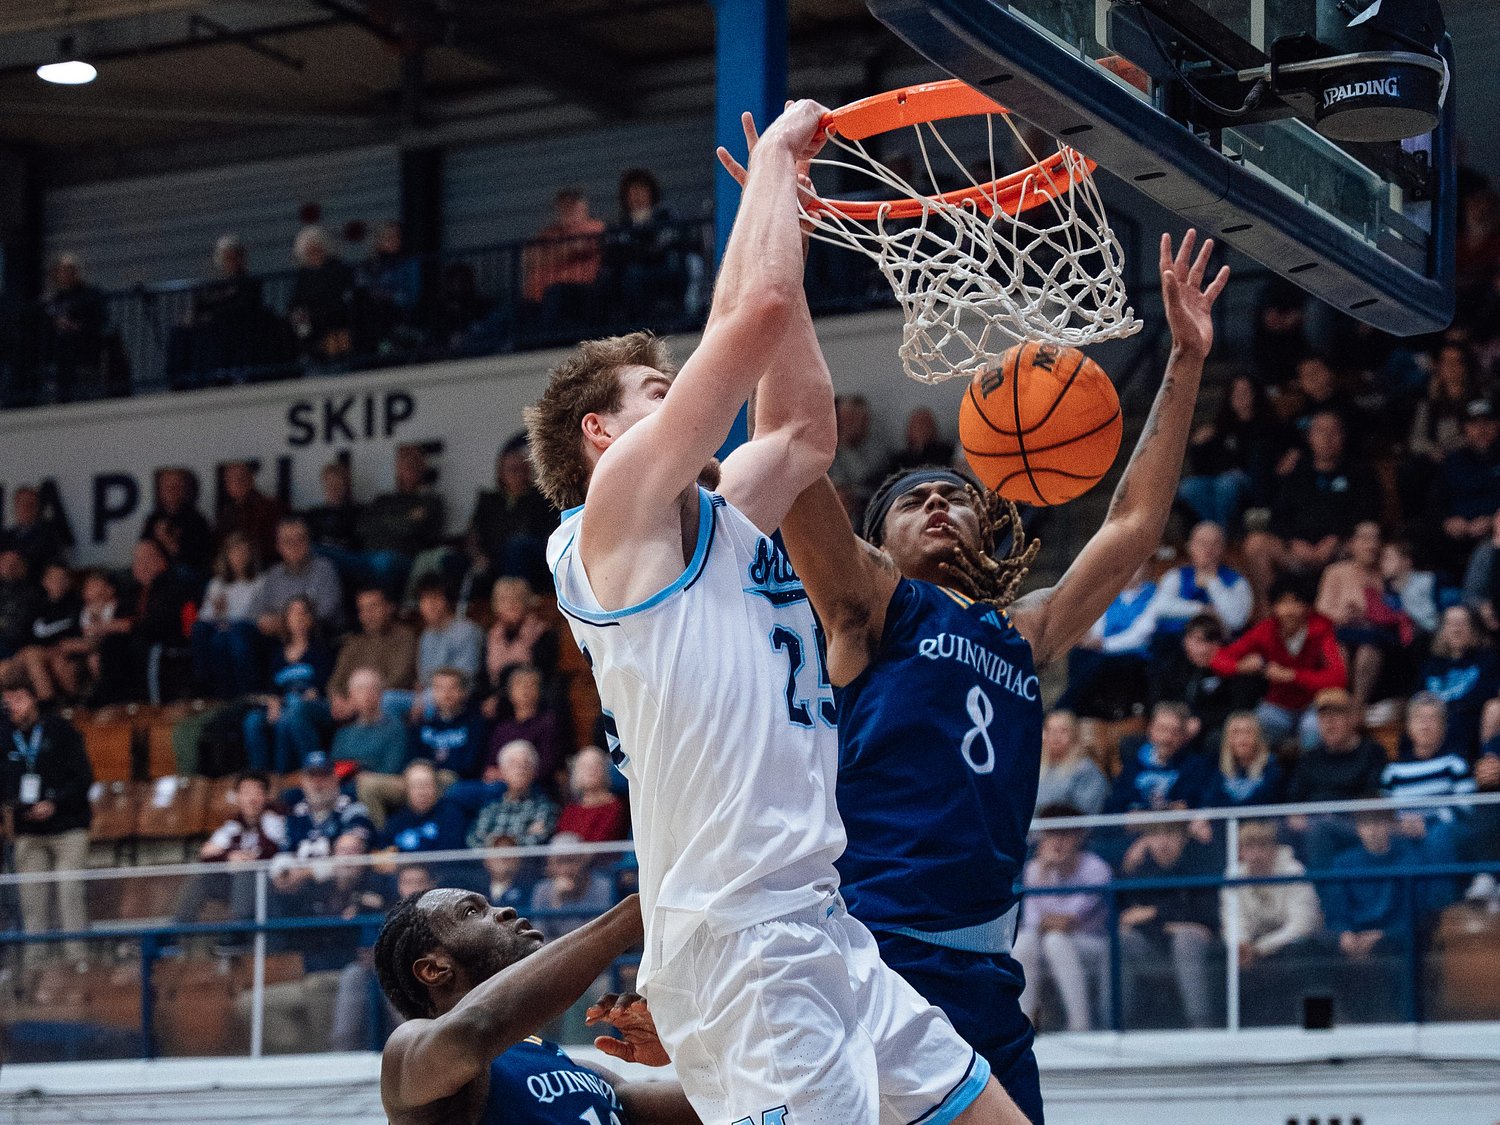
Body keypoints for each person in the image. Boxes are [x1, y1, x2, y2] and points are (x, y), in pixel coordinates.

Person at [529, 102, 1028, 1124]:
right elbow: (748, 317)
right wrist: (767, 165)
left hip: (822, 923)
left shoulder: (714, 519)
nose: (682, 403)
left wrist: (788, 216)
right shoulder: (609, 526)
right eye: (655, 393)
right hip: (739, 947)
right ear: (601, 434)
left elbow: (800, 426)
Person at [775, 231, 1227, 1116]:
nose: (938, 501)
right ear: (881, 539)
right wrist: (777, 281)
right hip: (881, 951)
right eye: (913, 498)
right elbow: (792, 466)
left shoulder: (1025, 631)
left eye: (953, 494)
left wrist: (1185, 357)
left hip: (985, 964)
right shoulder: (871, 607)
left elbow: (1131, 528)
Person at [374, 890, 696, 1125]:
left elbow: (726, 1105)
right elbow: (473, 1029)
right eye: (472, 912)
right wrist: (637, 912)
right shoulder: (407, 1055)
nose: (505, 911)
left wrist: (686, 1049)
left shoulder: (583, 1071)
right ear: (433, 969)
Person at [1242, 410, 1381, 610]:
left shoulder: (1361, 472)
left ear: (1343, 437)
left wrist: (1336, 539)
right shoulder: (1297, 472)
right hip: (1299, 552)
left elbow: (1368, 513)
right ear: (1310, 437)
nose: (1327, 438)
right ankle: (1272, 613)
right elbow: (1278, 518)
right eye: (1321, 432)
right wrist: (1294, 542)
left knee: (1366, 542)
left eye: (1334, 432)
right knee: (1255, 544)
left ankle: (1356, 612)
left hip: (1341, 550)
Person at [0, 672, 92, 971]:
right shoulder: (4, 737)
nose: (13, 706)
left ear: (33, 698)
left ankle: (78, 962)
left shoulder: (60, 731)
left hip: (67, 826)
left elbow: (83, 778)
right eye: (8, 701)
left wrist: (55, 803)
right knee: (32, 901)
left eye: (19, 699)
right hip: (29, 830)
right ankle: (35, 967)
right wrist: (15, 804)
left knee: (70, 893)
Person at [277, 587, 417, 763]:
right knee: (300, 709)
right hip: (346, 702)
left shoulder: (404, 637)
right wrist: (337, 698)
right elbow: (335, 681)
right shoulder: (353, 643)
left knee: (387, 700)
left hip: (379, 698)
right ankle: (316, 765)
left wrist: (358, 701)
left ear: (389, 607)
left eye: (373, 607)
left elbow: (399, 677)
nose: (368, 614)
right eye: (363, 609)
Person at [1210, 574, 1347, 750]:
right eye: (1283, 603)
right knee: (1249, 734)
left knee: (1312, 730)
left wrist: (1292, 676)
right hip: (1277, 706)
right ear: (1274, 606)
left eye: (1296, 602)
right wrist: (1241, 666)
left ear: (1307, 606)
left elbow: (1338, 677)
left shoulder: (1322, 629)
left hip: (1313, 704)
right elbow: (1218, 659)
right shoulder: (1266, 629)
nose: (1289, 609)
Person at [1013, 807, 1112, 1032]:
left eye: (1065, 834)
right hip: (1049, 942)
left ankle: (1080, 1026)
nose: (1057, 841)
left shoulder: (1095, 868)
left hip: (1094, 943)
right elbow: (1032, 924)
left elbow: (1068, 921)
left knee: (1055, 941)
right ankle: (1024, 1027)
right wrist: (1043, 874)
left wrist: (1050, 923)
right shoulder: (1034, 869)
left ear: (1078, 836)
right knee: (1024, 942)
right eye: (1050, 834)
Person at [1117, 820, 1220, 1029]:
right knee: (1122, 939)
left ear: (1183, 839)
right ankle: (1113, 1026)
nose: (1163, 841)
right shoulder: (1139, 871)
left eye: (1171, 834)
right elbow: (1127, 920)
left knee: (1186, 938)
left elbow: (1206, 918)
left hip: (1203, 951)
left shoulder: (1198, 865)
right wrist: (1168, 921)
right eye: (1155, 834)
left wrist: (1153, 913)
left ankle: (1200, 1024)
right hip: (1153, 949)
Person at [1225, 819, 1324, 1026]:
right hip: (1254, 945)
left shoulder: (1293, 871)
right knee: (1222, 955)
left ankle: (1319, 1026)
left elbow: (1302, 925)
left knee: (1306, 953)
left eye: (1263, 846)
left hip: (1291, 943)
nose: (1257, 854)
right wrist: (1241, 944)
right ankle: (1227, 1030)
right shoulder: (1233, 876)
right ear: (1241, 852)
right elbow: (1233, 919)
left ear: (1273, 848)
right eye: (1250, 847)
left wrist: (1260, 948)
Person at [1316, 520, 1418, 714]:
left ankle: (1357, 705)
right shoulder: (1336, 572)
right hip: (1342, 631)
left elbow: (1398, 604)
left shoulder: (1385, 571)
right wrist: (1341, 615)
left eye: (1375, 538)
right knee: (1337, 645)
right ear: (1352, 543)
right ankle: (1340, 702)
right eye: (1364, 539)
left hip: (1379, 638)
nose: (1371, 545)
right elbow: (1321, 609)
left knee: (1369, 648)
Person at [174, 771, 285, 948]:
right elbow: (206, 855)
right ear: (238, 797)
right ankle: (176, 933)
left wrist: (243, 858)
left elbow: (272, 850)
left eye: (257, 792)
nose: (252, 798)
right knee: (202, 878)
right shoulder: (234, 825)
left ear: (265, 796)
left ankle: (236, 931)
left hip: (272, 884)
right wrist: (229, 856)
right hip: (238, 887)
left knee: (246, 869)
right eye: (246, 792)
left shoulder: (275, 818)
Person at [1178, 373, 1293, 530]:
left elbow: (1290, 444)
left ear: (1255, 393)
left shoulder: (1269, 423)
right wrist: (1198, 446)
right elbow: (1203, 468)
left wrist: (1294, 453)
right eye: (1236, 392)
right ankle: (1217, 531)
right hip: (1220, 477)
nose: (1241, 396)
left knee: (1227, 484)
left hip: (1254, 480)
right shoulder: (1222, 426)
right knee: (1189, 487)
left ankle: (1221, 534)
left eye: (1245, 391)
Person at [243, 596, 335, 774]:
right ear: (286, 619)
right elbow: (272, 690)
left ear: (311, 618)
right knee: (253, 720)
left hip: (310, 705)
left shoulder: (321, 650)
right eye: (293, 613)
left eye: (303, 613)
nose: (298, 618)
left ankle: (282, 774)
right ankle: (259, 776)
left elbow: (322, 686)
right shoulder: (278, 656)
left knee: (289, 716)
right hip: (284, 703)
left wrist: (309, 695)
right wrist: (273, 702)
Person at [1056, 562, 1156, 720]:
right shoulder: (1110, 594)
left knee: (1099, 663)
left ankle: (1063, 708)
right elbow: (1099, 628)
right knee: (1078, 654)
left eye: (1136, 566)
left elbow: (1141, 633)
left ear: (1146, 569)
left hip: (1135, 653)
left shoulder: (1153, 594)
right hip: (1103, 652)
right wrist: (1090, 640)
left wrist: (1103, 644)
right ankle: (1076, 710)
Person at [467, 437, 557, 593]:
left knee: (516, 546)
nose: (516, 473)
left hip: (532, 553)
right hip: (493, 556)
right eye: (511, 469)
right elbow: (473, 535)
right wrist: (478, 556)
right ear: (500, 473)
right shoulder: (489, 501)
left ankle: (515, 595)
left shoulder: (542, 498)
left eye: (521, 468)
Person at [356, 445, 447, 598]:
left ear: (423, 468)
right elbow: (362, 527)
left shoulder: (430, 501)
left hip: (405, 560)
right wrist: (405, 519)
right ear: (397, 468)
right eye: (405, 465)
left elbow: (410, 529)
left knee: (384, 561)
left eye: (414, 464)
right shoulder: (382, 500)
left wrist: (383, 524)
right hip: (367, 557)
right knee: (323, 554)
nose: (410, 469)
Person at [1146, 521, 1253, 641]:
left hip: (1216, 645)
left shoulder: (1237, 581)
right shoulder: (1175, 576)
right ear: (1191, 547)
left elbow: (1236, 620)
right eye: (1202, 543)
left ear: (1222, 548)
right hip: (1174, 642)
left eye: (1215, 544)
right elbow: (1160, 607)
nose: (1208, 550)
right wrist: (1203, 609)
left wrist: (1213, 582)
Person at [190, 531, 264, 699]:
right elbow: (204, 616)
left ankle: (233, 695)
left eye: (243, 552)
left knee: (222, 639)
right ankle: (201, 680)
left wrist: (227, 620)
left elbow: (256, 615)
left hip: (244, 630)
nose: (239, 557)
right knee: (200, 629)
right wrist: (216, 612)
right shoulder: (217, 583)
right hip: (219, 626)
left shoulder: (260, 582)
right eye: (234, 552)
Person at [522, 190, 607, 334]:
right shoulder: (550, 233)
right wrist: (563, 252)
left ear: (583, 206)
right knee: (510, 310)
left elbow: (581, 246)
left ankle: (543, 340)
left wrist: (552, 253)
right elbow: (528, 257)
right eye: (563, 205)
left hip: (576, 289)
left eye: (572, 204)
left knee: (554, 294)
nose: (567, 209)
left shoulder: (594, 227)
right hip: (537, 295)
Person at [1106, 701, 1215, 813]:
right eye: (1162, 729)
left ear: (1184, 736)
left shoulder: (1197, 767)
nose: (1167, 738)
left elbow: (1197, 805)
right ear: (1151, 730)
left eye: (1175, 732)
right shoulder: (1132, 767)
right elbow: (1114, 807)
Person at [1424, 605, 1500, 759]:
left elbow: (1488, 696)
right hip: (1436, 725)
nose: (1456, 629)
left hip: (1471, 726)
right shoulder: (1431, 666)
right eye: (1451, 624)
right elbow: (1419, 699)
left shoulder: (1488, 659)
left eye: (1462, 624)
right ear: (1443, 631)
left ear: (1473, 629)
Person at [249, 515, 344, 635]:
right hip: (277, 641)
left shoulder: (325, 569)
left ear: (309, 542)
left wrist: (286, 622)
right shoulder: (274, 575)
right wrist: (264, 621)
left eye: (300, 539)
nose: (294, 546)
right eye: (288, 541)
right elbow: (254, 613)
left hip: (318, 639)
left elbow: (327, 612)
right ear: (279, 546)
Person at [5, 561, 81, 704]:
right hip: (29, 653)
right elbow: (22, 637)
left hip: (58, 652)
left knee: (32, 656)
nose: (58, 583)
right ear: (45, 582)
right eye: (53, 578)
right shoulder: (35, 605)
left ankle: (48, 704)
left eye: (62, 578)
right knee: (8, 668)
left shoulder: (75, 606)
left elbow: (77, 637)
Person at [480, 578, 558, 712]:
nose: (510, 605)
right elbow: (483, 676)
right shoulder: (491, 636)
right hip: (497, 700)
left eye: (516, 599)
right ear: (496, 605)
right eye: (504, 600)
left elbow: (544, 672)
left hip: (532, 700)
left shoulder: (543, 633)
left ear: (527, 602)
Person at [483, 665, 563, 793]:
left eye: (531, 685)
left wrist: (515, 777)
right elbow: (491, 766)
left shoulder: (548, 723)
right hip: (501, 786)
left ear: (539, 691)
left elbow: (546, 767)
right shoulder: (502, 728)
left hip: (535, 786)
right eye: (519, 685)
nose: (525, 689)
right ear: (510, 692)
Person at [39, 254, 105, 403]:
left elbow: (98, 321)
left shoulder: (89, 295)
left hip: (84, 352)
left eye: (70, 270)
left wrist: (76, 326)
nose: (65, 274)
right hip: (57, 356)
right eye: (62, 270)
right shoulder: (54, 298)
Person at [468, 740, 559, 849]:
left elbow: (538, 840)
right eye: (513, 764)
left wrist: (494, 844)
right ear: (501, 771)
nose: (520, 769)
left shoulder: (546, 808)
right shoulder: (490, 809)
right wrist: (514, 842)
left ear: (535, 772)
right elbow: (474, 840)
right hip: (488, 866)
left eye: (526, 764)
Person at [529, 833, 615, 941]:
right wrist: (557, 901)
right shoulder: (542, 890)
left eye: (571, 860)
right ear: (550, 865)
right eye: (559, 862)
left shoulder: (603, 886)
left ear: (583, 861)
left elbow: (600, 932)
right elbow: (540, 936)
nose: (566, 869)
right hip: (555, 955)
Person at [288, 225, 355, 363]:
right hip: (313, 331)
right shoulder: (303, 278)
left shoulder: (338, 270)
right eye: (310, 252)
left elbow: (345, 297)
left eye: (317, 249)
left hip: (336, 325)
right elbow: (296, 304)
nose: (315, 254)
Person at [139, 468, 215, 579]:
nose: (171, 490)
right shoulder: (153, 519)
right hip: (156, 575)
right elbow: (143, 549)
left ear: (185, 489)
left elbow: (199, 560)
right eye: (167, 487)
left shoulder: (197, 520)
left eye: (176, 486)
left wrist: (169, 543)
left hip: (186, 577)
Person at [382, 760, 471, 854]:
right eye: (416, 786)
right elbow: (383, 849)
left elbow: (450, 855)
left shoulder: (451, 815)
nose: (422, 792)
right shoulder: (396, 821)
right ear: (406, 789)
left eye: (427, 785)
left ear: (436, 787)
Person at [331, 668, 409, 776]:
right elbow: (334, 768)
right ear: (351, 695)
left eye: (372, 688)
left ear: (381, 693)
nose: (366, 695)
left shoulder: (395, 729)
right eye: (360, 689)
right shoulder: (344, 733)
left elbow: (391, 769)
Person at [1034, 710, 1109, 816]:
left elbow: (1085, 813)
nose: (1056, 736)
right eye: (1051, 730)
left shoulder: (1087, 771)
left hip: (1067, 830)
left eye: (1063, 731)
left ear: (1074, 735)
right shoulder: (1033, 769)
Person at [1204, 711, 1284, 808]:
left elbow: (1269, 802)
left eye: (1248, 732)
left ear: (1258, 737)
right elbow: (1209, 803)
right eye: (1236, 732)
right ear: (1228, 739)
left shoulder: (1272, 769)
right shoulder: (1218, 771)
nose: (1243, 738)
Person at [556, 745, 629, 842]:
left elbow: (602, 843)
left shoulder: (616, 808)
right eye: (585, 767)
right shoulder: (570, 811)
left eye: (596, 765)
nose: (591, 771)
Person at [215, 461, 282, 564]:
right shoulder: (227, 512)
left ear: (251, 480)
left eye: (241, 478)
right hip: (231, 567)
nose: (236, 483)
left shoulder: (269, 507)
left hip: (262, 564)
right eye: (230, 480)